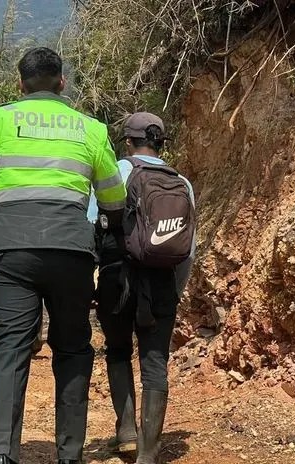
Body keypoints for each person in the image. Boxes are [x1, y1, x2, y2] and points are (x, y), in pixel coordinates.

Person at [0, 47, 127, 464]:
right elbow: (114, 200)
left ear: (20, 83)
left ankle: (1, 455)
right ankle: (69, 454)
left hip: (11, 249)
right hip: (71, 251)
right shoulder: (90, 128)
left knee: (10, 350)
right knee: (72, 348)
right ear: (62, 82)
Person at [95, 112, 196, 464]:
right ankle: (148, 454)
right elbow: (187, 249)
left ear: (127, 142)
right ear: (161, 142)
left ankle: (125, 432)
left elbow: (94, 224)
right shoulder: (181, 181)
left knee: (118, 350)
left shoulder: (116, 173)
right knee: (156, 363)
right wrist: (174, 289)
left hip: (117, 278)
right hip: (162, 282)